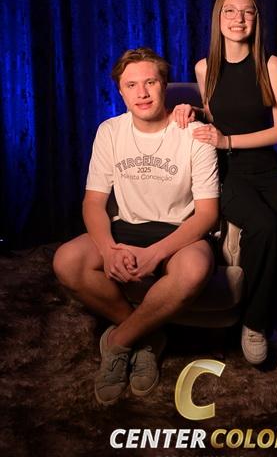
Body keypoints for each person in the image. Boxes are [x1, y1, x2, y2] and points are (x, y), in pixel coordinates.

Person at [53, 47, 219, 405]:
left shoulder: (195, 133)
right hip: (126, 227)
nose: (142, 93)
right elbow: (93, 203)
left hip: (179, 232)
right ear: (120, 91)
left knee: (194, 270)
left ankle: (119, 341)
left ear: (165, 85)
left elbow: (207, 214)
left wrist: (156, 253)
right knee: (66, 260)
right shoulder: (110, 131)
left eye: (150, 82)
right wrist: (108, 249)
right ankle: (148, 337)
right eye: (131, 85)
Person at [173, 0, 277, 365]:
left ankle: (261, 309)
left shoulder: (270, 65)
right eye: (230, 11)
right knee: (263, 225)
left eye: (247, 11)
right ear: (218, 19)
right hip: (227, 171)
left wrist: (227, 139)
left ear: (256, 19)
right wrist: (192, 111)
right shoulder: (204, 67)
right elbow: (215, 115)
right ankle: (254, 325)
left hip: (265, 168)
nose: (238, 18)